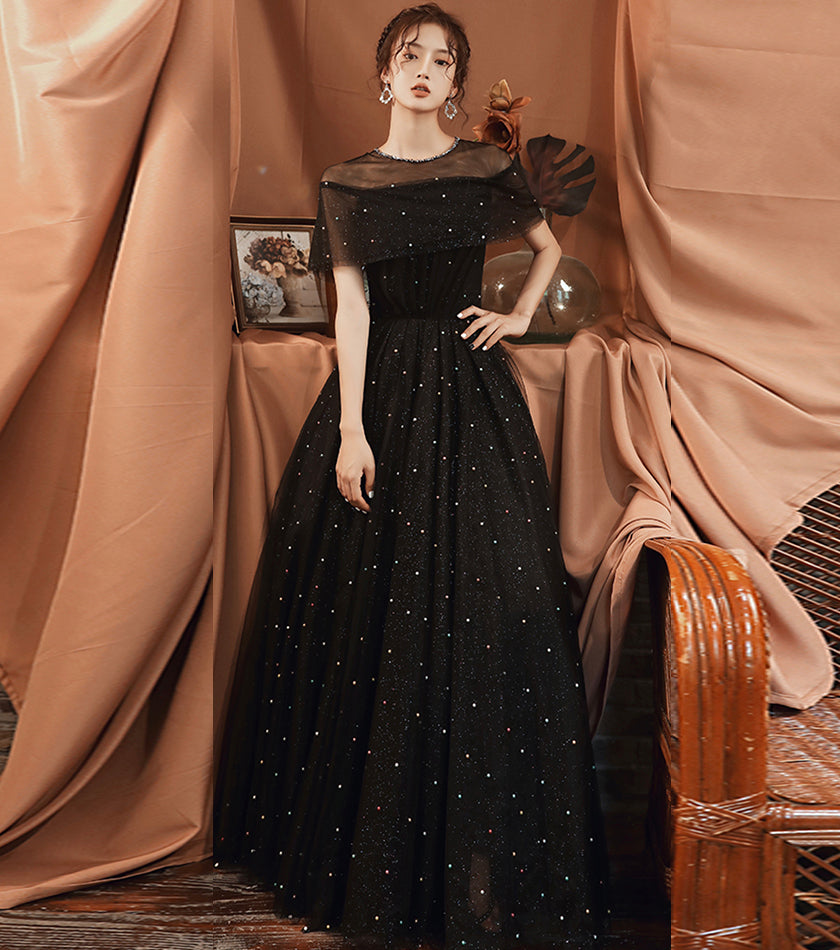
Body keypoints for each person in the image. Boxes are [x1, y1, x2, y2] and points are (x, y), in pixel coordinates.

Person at [214, 4, 609, 948]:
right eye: (409, 57)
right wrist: (351, 430)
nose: (425, 70)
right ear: (385, 76)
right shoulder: (347, 181)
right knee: (370, 613)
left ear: (456, 86)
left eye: (442, 60)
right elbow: (349, 308)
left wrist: (516, 318)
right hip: (382, 395)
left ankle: (473, 864)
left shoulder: (484, 170)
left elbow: (549, 249)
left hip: (473, 398)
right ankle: (373, 857)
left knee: (492, 601)